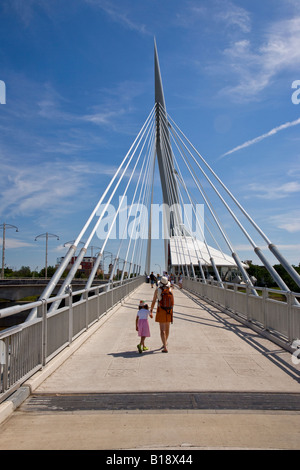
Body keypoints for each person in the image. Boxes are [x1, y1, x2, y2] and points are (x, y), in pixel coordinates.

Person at [150, 276, 174, 353]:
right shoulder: (170, 289)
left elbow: (154, 301)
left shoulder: (158, 290)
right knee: (167, 328)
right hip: (169, 311)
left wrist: (151, 310)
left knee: (162, 330)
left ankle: (165, 347)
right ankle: (165, 343)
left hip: (161, 310)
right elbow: (173, 302)